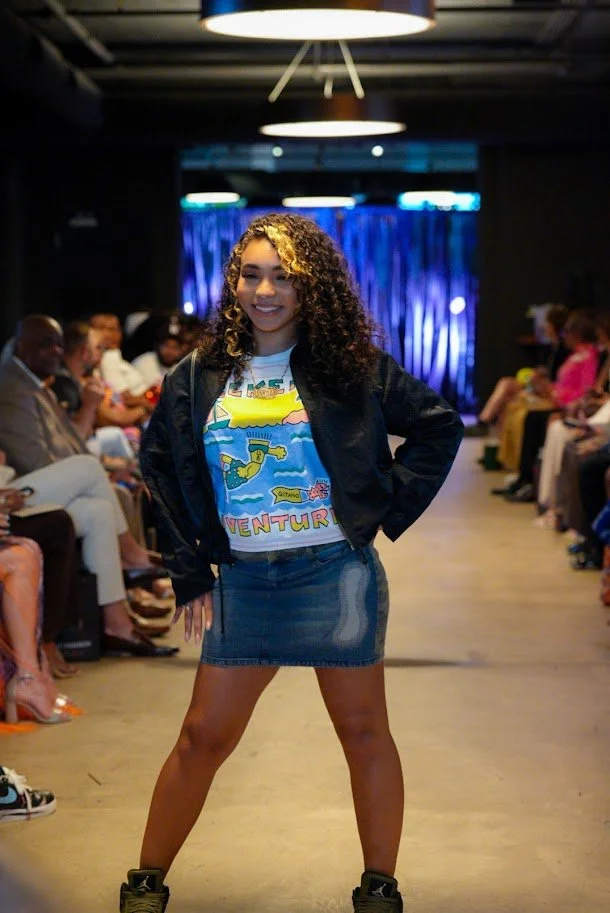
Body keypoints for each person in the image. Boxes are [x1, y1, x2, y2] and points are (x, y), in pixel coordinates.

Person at [118, 213, 464, 913]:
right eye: (251, 274)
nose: (265, 290)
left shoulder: (351, 365)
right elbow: (161, 462)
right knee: (200, 737)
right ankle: (146, 880)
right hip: (245, 578)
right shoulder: (198, 374)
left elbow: (437, 425)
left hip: (334, 574)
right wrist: (190, 570)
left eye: (282, 276)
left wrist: (379, 506)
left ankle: (379, 885)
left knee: (363, 733)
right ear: (234, 281)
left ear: (312, 288)